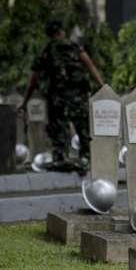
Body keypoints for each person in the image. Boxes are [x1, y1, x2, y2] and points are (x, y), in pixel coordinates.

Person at [20, 20, 103, 171]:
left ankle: (61, 158)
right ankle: (87, 159)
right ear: (61, 32)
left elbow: (33, 80)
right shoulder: (74, 46)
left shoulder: (45, 51)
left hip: (57, 99)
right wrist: (102, 86)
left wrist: (25, 101)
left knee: (58, 130)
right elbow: (89, 65)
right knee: (83, 128)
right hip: (78, 97)